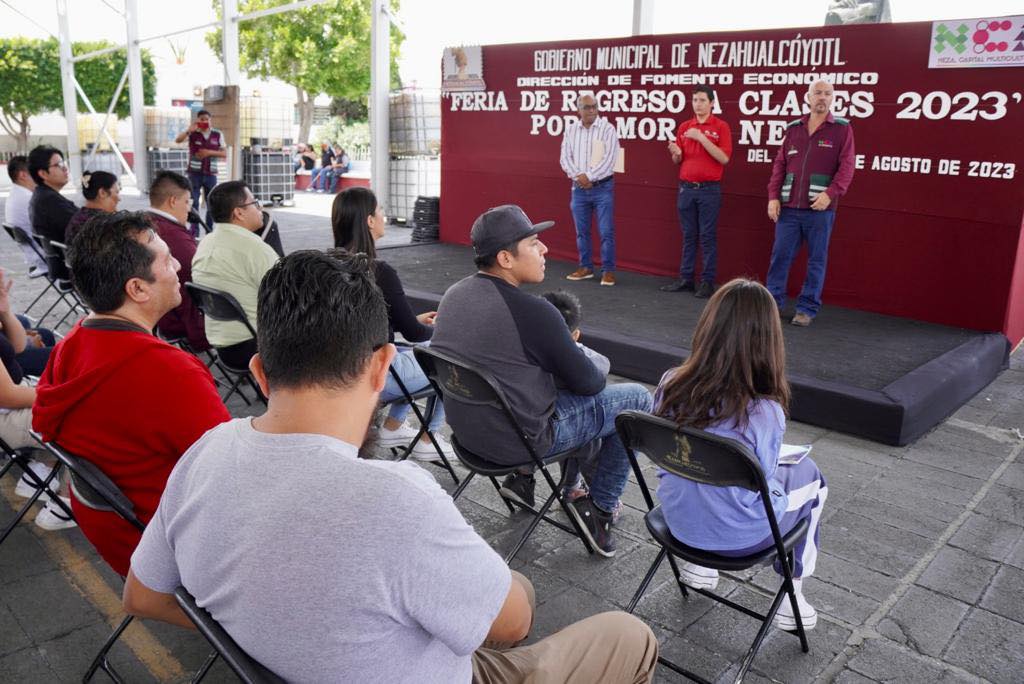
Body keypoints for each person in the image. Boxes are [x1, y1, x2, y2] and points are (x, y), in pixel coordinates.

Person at [122, 249, 659, 683]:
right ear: (382, 366)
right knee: (627, 634)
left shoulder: (206, 451)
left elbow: (143, 595)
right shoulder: (397, 498)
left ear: (260, 373)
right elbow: (514, 625)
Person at [431, 205, 653, 556]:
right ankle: (601, 510)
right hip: (521, 442)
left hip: (469, 436)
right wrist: (581, 353)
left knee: (549, 390)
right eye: (534, 243)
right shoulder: (536, 313)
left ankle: (529, 480)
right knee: (636, 398)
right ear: (506, 258)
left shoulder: (455, 294)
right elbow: (591, 384)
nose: (545, 250)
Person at [33, 211, 230, 576]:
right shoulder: (169, 373)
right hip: (172, 550)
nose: (177, 265)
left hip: (115, 534)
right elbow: (232, 475)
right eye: (167, 259)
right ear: (137, 288)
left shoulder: (72, 344)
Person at [653, 278, 828, 631]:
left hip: (677, 522)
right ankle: (790, 594)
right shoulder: (764, 411)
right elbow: (761, 481)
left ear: (708, 327)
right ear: (769, 341)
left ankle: (699, 567)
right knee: (813, 481)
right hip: (740, 538)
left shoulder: (670, 382)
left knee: (705, 471)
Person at [331, 187, 455, 461]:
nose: (384, 217)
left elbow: (365, 323)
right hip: (375, 377)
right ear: (369, 221)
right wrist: (443, 330)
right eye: (381, 212)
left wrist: (413, 321)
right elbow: (413, 332)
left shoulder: (327, 266)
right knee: (450, 351)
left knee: (417, 348)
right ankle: (428, 436)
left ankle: (393, 427)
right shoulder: (379, 271)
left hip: (338, 371)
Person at [766, 79, 856, 327]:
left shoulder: (841, 129)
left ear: (833, 98)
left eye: (828, 94)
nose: (822, 97)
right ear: (808, 97)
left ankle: (806, 309)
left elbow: (847, 167)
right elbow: (780, 166)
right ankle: (772, 305)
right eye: (818, 93)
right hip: (789, 209)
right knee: (780, 257)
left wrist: (830, 193)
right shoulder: (794, 128)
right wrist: (773, 196)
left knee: (816, 260)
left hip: (820, 210)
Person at [0, 268, 73, 531]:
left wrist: (4, 310)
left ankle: (38, 474)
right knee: (84, 409)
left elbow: (17, 347)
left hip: (9, 406)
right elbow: (7, 394)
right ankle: (67, 502)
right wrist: (66, 391)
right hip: (5, 417)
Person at [537, 289, 613, 510]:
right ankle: (602, 502)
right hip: (548, 435)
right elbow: (602, 367)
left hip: (511, 431)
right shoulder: (579, 359)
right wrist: (573, 348)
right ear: (575, 335)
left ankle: (567, 483)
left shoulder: (520, 348)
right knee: (599, 414)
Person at [191, 181, 279, 369]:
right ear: (239, 212)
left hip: (221, 344)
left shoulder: (204, 244)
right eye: (254, 203)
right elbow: (286, 297)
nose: (259, 208)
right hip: (256, 346)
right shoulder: (254, 248)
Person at [660, 86, 732, 299]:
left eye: (702, 100)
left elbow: (724, 158)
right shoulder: (685, 126)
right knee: (689, 235)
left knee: (707, 236)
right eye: (694, 100)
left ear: (711, 103)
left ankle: (707, 282)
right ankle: (686, 278)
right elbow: (679, 160)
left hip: (709, 190)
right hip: (686, 188)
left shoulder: (721, 126)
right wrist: (675, 153)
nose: (697, 104)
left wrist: (701, 138)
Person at [559, 93, 620, 287]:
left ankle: (608, 271)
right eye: (587, 107)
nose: (592, 110)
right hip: (578, 189)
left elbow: (610, 159)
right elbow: (564, 158)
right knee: (581, 232)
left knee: (606, 231)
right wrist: (579, 176)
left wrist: (589, 177)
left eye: (594, 106)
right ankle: (585, 267)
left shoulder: (607, 129)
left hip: (603, 188)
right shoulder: (570, 130)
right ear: (579, 110)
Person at [147, 170, 211, 353]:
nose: (189, 209)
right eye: (187, 202)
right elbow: (201, 277)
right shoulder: (173, 236)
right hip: (181, 321)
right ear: (173, 201)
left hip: (159, 316)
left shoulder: (145, 223)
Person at [175, 109, 225, 235]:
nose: (204, 121)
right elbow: (178, 140)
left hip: (210, 174)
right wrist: (188, 131)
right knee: (194, 202)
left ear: (210, 120)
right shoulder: (192, 134)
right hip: (194, 173)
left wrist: (209, 153)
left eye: (207, 119)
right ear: (197, 120)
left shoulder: (217, 134)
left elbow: (224, 153)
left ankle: (209, 230)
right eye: (202, 119)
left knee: (211, 202)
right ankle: (194, 230)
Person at [3, 155, 49, 277]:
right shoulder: (29, 199)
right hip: (48, 258)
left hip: (37, 256)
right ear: (23, 175)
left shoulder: (16, 195)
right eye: (35, 171)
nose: (40, 175)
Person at [27, 145, 76, 250]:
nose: (65, 168)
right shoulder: (49, 201)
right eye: (59, 164)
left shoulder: (42, 195)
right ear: (43, 174)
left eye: (64, 162)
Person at [65, 170, 121, 243]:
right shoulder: (104, 223)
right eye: (116, 192)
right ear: (102, 193)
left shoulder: (78, 217)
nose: (119, 199)